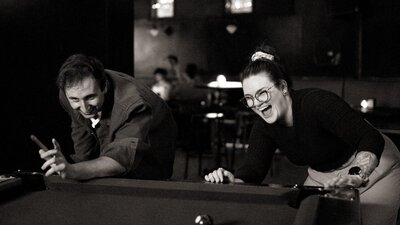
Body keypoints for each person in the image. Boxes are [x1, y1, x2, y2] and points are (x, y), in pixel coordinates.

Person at [204, 44, 400, 225]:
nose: (256, 104)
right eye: (249, 99)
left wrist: (356, 174)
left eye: (262, 93)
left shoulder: (316, 103)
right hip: (324, 177)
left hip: (376, 169)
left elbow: (370, 137)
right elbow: (253, 171)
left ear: (282, 86)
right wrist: (233, 183)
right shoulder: (264, 125)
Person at [33, 53, 177, 181]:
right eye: (75, 100)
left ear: (104, 87)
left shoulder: (132, 104)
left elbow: (121, 160)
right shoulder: (69, 93)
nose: (83, 107)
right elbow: (81, 128)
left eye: (90, 97)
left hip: (153, 148)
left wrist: (73, 170)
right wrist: (72, 167)